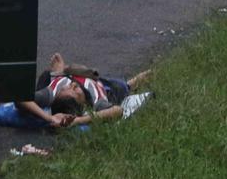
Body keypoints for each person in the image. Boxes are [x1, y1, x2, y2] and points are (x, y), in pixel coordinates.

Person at [14, 53, 151, 128]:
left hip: (68, 75)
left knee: (47, 76)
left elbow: (20, 98)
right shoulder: (97, 100)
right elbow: (118, 111)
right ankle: (132, 83)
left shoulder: (53, 93)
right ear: (83, 105)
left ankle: (57, 73)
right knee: (121, 87)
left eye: (66, 88)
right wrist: (79, 121)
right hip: (103, 84)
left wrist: (48, 117)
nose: (72, 86)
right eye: (75, 92)